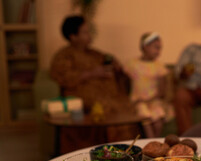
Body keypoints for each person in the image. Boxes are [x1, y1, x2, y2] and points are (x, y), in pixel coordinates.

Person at [50, 15, 134, 153]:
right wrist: (92, 73)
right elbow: (63, 77)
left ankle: (127, 152)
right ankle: (108, 153)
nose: (90, 36)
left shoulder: (95, 54)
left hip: (110, 97)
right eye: (85, 32)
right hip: (85, 99)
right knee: (107, 108)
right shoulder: (64, 56)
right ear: (73, 36)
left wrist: (117, 68)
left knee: (126, 107)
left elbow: (115, 70)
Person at [123, 32, 172, 137]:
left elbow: (161, 91)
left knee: (158, 118)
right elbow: (122, 79)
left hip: (154, 100)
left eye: (160, 48)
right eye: (156, 48)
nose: (158, 52)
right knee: (144, 115)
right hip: (138, 101)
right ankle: (150, 142)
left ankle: (156, 143)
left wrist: (150, 99)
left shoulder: (159, 66)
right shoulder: (132, 64)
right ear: (145, 47)